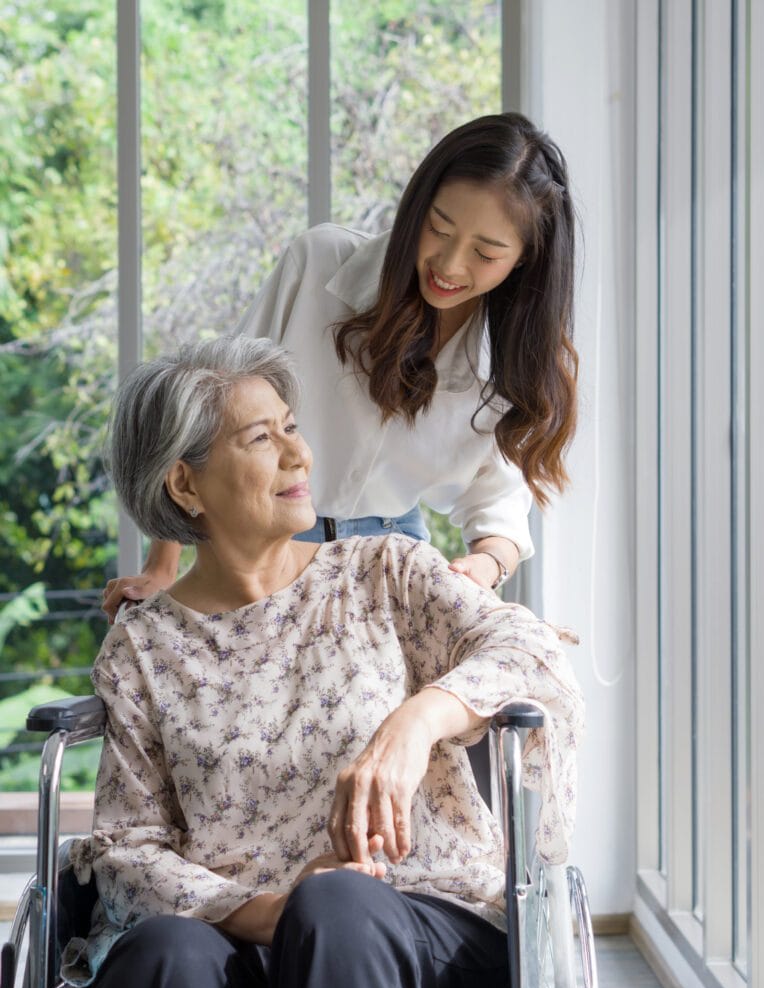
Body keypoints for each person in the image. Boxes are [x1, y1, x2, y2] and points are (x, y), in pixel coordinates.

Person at [68, 336, 584, 988]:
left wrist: (417, 722)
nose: (299, 454)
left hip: (415, 922)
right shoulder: (143, 648)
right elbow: (128, 851)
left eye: (291, 426)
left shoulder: (385, 573)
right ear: (184, 484)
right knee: (165, 955)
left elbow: (531, 651)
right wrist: (265, 913)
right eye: (261, 437)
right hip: (238, 938)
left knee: (334, 906)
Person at [102, 111, 577, 622]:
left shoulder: (505, 366)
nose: (450, 264)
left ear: (524, 259)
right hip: (266, 547)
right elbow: (209, 408)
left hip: (393, 561)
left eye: (486, 253)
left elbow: (499, 512)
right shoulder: (319, 265)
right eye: (438, 227)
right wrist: (162, 564)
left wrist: (482, 567)